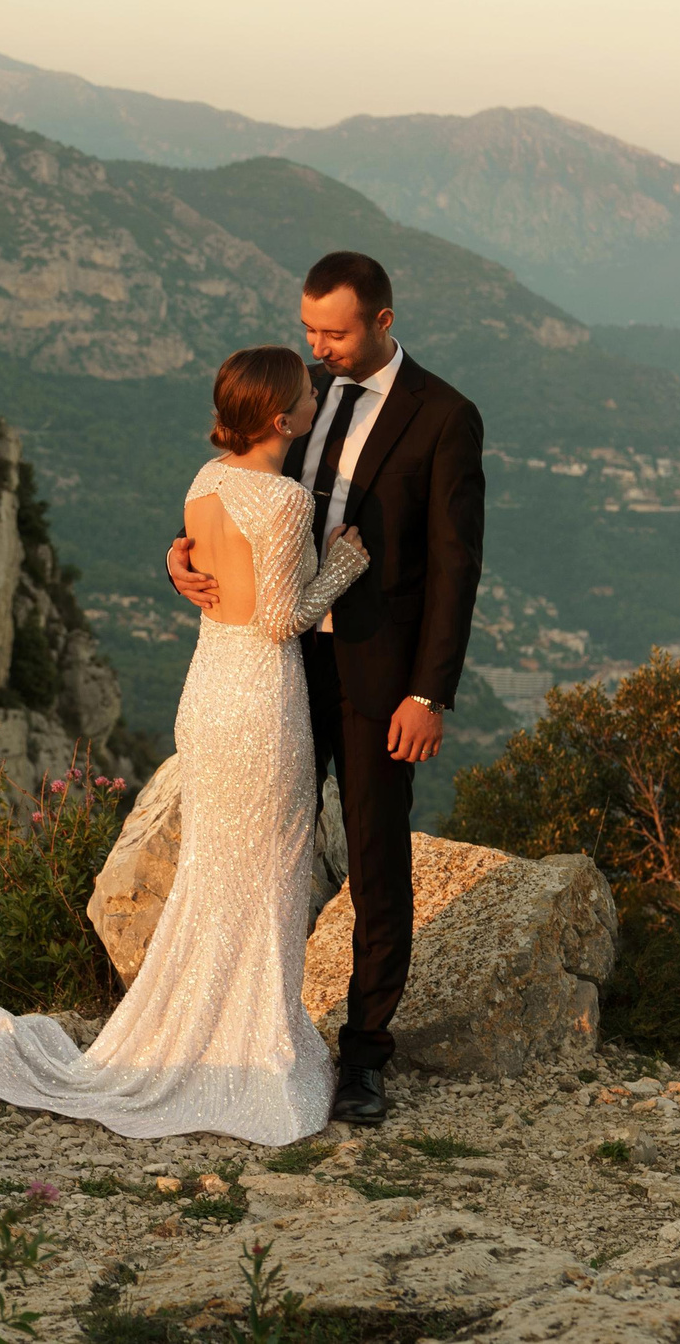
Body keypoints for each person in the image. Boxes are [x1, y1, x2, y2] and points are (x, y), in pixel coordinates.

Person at [0, 345, 370, 1145]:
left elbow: (212, 571)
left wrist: (178, 559)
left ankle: (208, 1032)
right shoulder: (282, 500)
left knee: (217, 868)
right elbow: (282, 619)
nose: (316, 394)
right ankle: (250, 1042)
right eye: (307, 393)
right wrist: (343, 564)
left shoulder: (205, 481)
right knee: (269, 870)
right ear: (283, 419)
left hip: (208, 690)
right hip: (263, 703)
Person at [165, 251, 484, 1126]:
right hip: (277, 676)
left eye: (334, 332)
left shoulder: (446, 416)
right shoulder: (293, 391)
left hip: (381, 678)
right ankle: (249, 1028)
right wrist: (178, 556)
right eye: (309, 330)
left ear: (383, 320)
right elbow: (238, 491)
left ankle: (365, 1056)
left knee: (379, 863)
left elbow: (457, 567)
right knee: (269, 854)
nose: (318, 347)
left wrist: (432, 693)